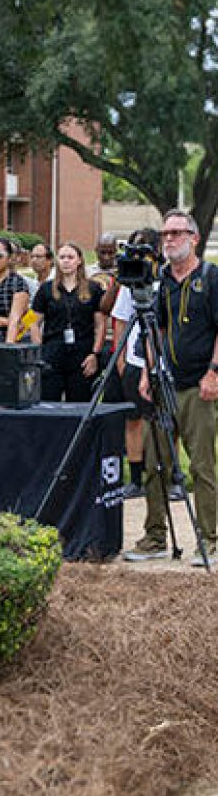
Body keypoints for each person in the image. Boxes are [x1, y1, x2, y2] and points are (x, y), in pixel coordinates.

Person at [125, 211, 218, 565]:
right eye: (165, 233)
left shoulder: (210, 278)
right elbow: (157, 330)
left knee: (202, 466)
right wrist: (148, 373)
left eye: (177, 233)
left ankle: (209, 539)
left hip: (199, 385)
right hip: (165, 383)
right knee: (156, 463)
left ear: (194, 238)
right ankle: (154, 537)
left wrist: (213, 372)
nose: (169, 239)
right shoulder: (162, 280)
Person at [110, 228, 161, 499]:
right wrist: (120, 360)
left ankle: (168, 477)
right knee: (134, 420)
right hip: (133, 358)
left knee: (166, 422)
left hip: (163, 363)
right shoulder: (131, 281)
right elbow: (119, 320)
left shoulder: (167, 280)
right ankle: (137, 477)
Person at [29, 243, 106, 401]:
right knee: (49, 405)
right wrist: (39, 351)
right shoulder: (46, 289)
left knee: (79, 405)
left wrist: (95, 354)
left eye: (70, 257)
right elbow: (31, 321)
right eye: (62, 257)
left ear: (79, 261)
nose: (66, 261)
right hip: (52, 355)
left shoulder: (94, 289)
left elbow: (100, 325)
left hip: (82, 356)